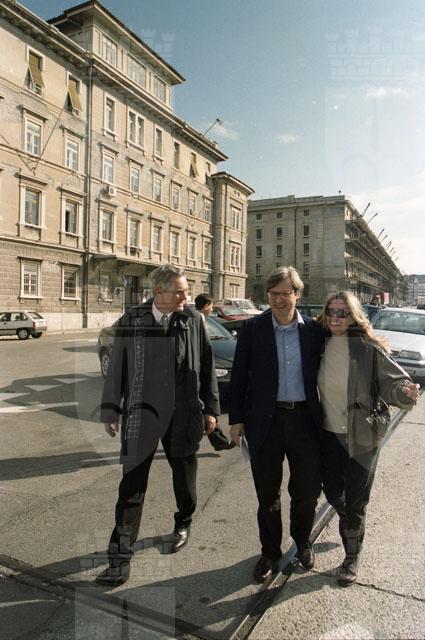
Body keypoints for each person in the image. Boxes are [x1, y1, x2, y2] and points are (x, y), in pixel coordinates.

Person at [96, 265, 220, 587]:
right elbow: (118, 367)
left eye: (186, 291)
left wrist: (211, 409)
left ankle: (183, 522)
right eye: (179, 291)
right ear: (158, 292)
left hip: (183, 415)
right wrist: (110, 409)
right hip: (142, 415)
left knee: (185, 478)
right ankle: (119, 560)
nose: (185, 297)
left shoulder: (193, 319)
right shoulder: (133, 319)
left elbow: (207, 365)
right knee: (131, 488)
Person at [228, 266, 325, 583]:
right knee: (267, 493)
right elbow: (239, 376)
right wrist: (236, 419)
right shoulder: (252, 328)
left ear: (298, 295)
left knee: (306, 491)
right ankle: (269, 552)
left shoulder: (314, 331)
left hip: (305, 421)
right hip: (264, 423)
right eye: (273, 294)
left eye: (285, 293)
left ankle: (302, 542)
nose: (279, 300)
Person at [318, 291, 420, 586]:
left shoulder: (365, 348)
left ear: (353, 317)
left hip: (362, 435)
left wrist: (404, 392)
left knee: (356, 500)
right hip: (328, 435)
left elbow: (393, 381)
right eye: (331, 312)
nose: (336, 318)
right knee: (333, 492)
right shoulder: (318, 344)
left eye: (342, 313)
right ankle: (351, 522)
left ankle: (351, 556)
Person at [195, 293, 235, 451]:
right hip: (198, 371)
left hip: (203, 370)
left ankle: (219, 441)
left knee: (205, 407)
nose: (212, 309)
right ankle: (218, 440)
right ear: (206, 306)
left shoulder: (204, 320)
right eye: (211, 306)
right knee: (204, 405)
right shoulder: (196, 321)